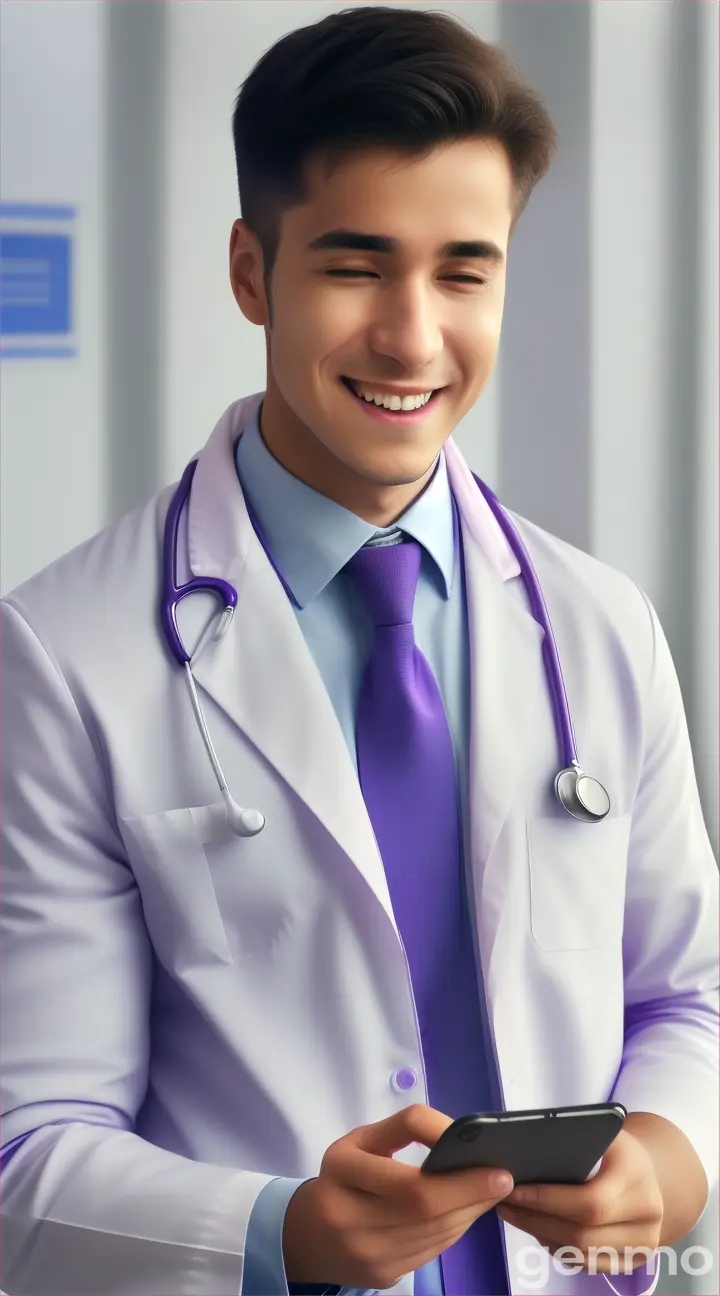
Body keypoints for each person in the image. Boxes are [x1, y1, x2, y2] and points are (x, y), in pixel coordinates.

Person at [1, 5, 717, 1295]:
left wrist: (663, 1163)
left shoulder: (601, 625)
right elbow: (27, 1150)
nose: (413, 337)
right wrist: (280, 1232)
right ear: (249, 272)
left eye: (464, 271)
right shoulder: (63, 657)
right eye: (353, 265)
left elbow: (687, 999)